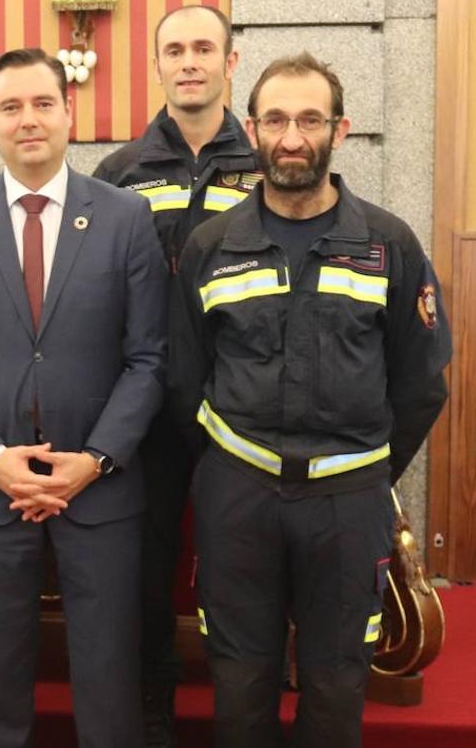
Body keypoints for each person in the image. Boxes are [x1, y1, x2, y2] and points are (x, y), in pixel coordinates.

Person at [169, 52, 451, 748]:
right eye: (275, 119)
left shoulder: (389, 245)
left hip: (347, 503)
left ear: (340, 129)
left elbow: (420, 384)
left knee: (336, 681)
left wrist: (361, 472)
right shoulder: (210, 246)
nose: (291, 137)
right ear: (252, 128)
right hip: (239, 501)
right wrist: (224, 475)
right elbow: (183, 382)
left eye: (308, 119)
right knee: (239, 679)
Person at [0, 47, 168, 748]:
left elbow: (149, 358)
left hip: (102, 491)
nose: (29, 120)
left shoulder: (124, 215)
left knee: (110, 682)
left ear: (69, 112)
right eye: (11, 107)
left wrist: (97, 459)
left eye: (42, 104)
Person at [91, 4, 258, 746]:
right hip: (145, 409)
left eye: (203, 48)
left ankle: (250, 695)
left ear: (230, 61)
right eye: (174, 50)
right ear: (156, 65)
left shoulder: (267, 166)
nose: (188, 61)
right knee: (145, 564)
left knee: (246, 561)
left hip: (242, 406)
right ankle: (153, 701)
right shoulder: (117, 173)